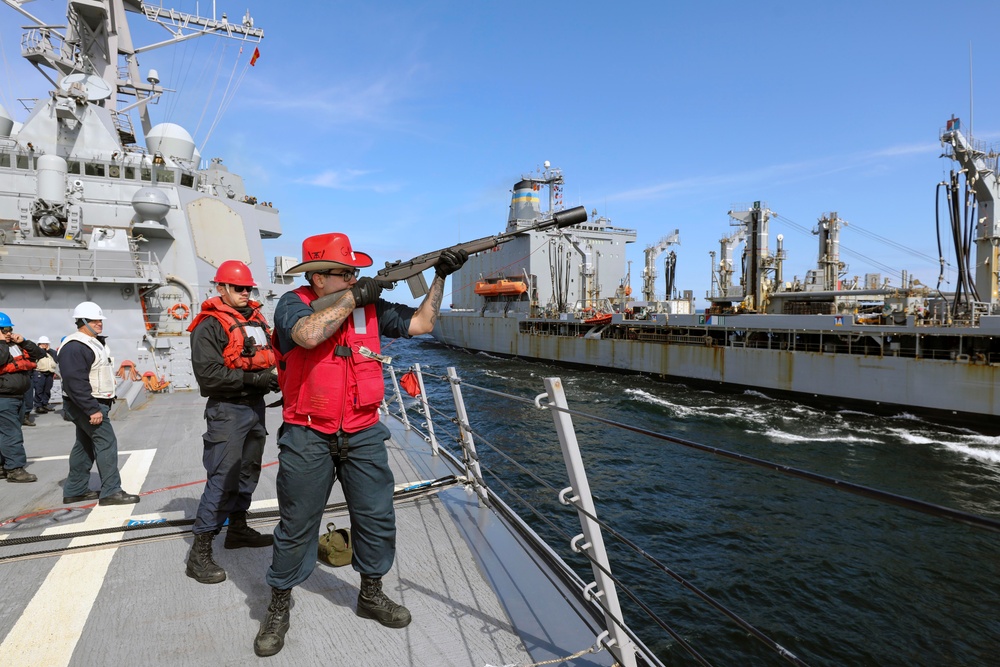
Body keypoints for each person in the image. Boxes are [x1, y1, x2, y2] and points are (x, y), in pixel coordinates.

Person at [252, 233, 467, 657]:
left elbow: (422, 323)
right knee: (297, 525)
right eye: (345, 273)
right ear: (316, 278)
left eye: (355, 272)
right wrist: (354, 298)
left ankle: (370, 594)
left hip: (364, 428)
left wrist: (440, 277)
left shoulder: (371, 307)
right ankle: (279, 604)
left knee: (376, 517)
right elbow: (308, 335)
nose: (355, 278)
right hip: (308, 430)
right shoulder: (291, 305)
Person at [184, 260, 279, 584]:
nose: (245, 293)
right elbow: (208, 377)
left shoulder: (254, 320)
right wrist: (256, 380)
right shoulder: (208, 326)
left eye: (248, 288)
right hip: (227, 410)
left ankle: (237, 529)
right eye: (239, 288)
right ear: (221, 288)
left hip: (254, 409)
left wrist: (271, 378)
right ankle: (199, 553)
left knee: (248, 470)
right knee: (222, 477)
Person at [59, 301, 140, 505]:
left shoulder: (93, 342)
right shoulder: (75, 346)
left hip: (91, 403)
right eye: (94, 321)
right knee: (106, 442)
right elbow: (74, 382)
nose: (99, 324)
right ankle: (111, 491)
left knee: (84, 445)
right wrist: (91, 409)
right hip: (87, 405)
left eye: (100, 320)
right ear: (82, 321)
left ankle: (75, 489)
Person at [0, 311, 44, 483]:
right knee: (12, 434)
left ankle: (3, 465)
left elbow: (39, 355)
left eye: (9, 329)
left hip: (16, 396)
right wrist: (2, 342)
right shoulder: (3, 346)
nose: (9, 333)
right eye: (4, 330)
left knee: (5, 433)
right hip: (3, 397)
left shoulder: (13, 345)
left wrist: (24, 342)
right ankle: (15, 468)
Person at [32, 336, 58, 414]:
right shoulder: (35, 352)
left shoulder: (52, 352)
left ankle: (45, 404)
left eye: (46, 344)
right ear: (39, 344)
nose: (44, 345)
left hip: (50, 372)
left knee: (47, 389)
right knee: (39, 389)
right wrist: (41, 350)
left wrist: (48, 351)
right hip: (39, 372)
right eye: (43, 344)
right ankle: (38, 406)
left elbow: (56, 359)